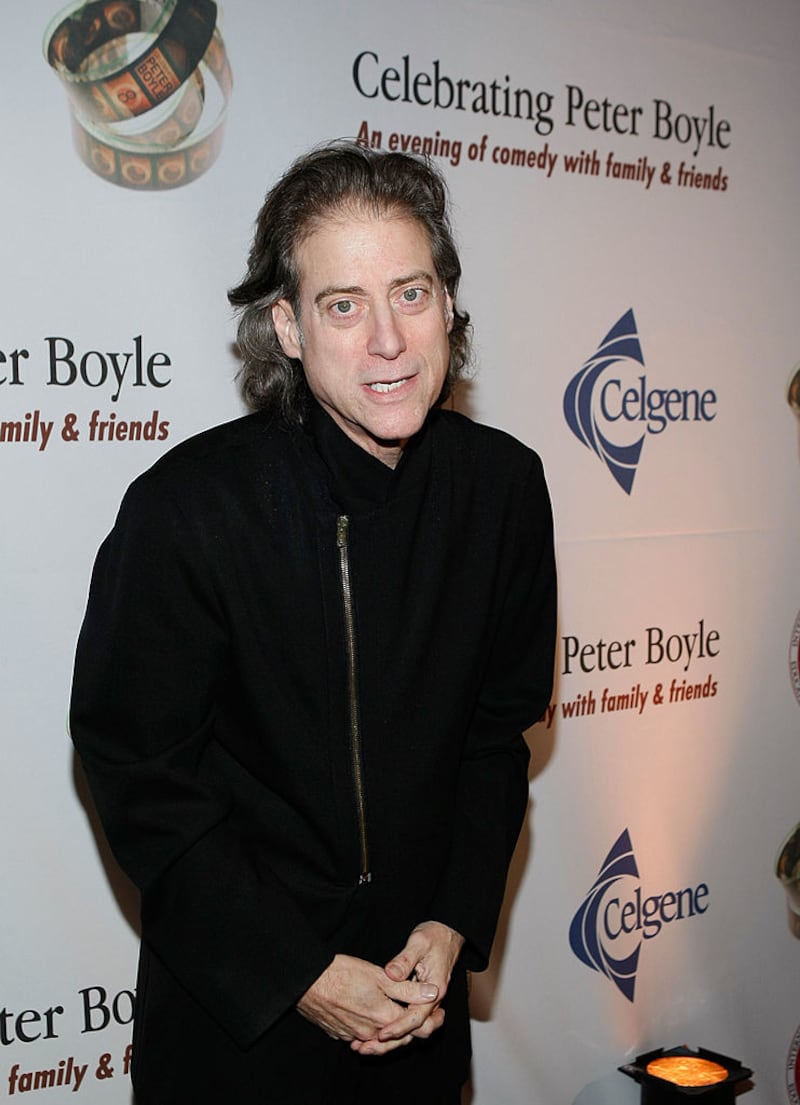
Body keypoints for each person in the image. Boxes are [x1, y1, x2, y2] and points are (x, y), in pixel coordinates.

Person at [70, 139, 557, 1104]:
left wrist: (452, 921)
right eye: (345, 305)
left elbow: (497, 737)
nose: (388, 339)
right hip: (239, 1022)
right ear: (287, 326)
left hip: (418, 1017)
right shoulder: (188, 508)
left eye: (411, 293)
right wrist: (299, 969)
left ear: (448, 305)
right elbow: (138, 774)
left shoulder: (505, 487)